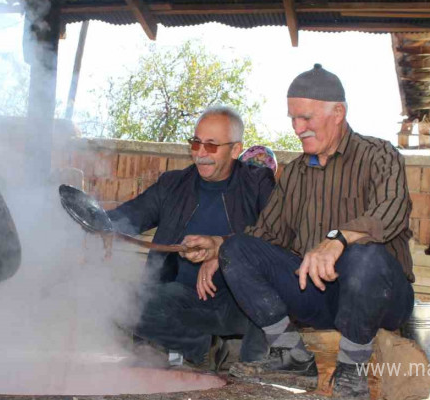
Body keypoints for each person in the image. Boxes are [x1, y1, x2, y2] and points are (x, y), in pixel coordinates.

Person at [181, 64, 414, 399]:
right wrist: (221, 248)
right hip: (319, 295)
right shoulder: (294, 174)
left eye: (305, 118)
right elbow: (265, 233)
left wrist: (338, 240)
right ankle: (291, 353)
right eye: (292, 119)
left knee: (365, 256)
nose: (297, 128)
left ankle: (351, 371)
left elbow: (392, 210)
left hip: (381, 296)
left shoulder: (380, 155)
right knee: (238, 250)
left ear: (338, 112)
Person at [108, 106, 276, 370]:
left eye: (211, 146)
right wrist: (91, 223)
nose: (200, 153)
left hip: (240, 302)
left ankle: (251, 364)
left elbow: (277, 233)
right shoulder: (172, 184)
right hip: (183, 299)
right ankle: (204, 348)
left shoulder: (258, 184)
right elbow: (127, 216)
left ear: (235, 150)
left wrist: (223, 250)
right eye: (196, 143)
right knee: (120, 302)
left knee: (274, 293)